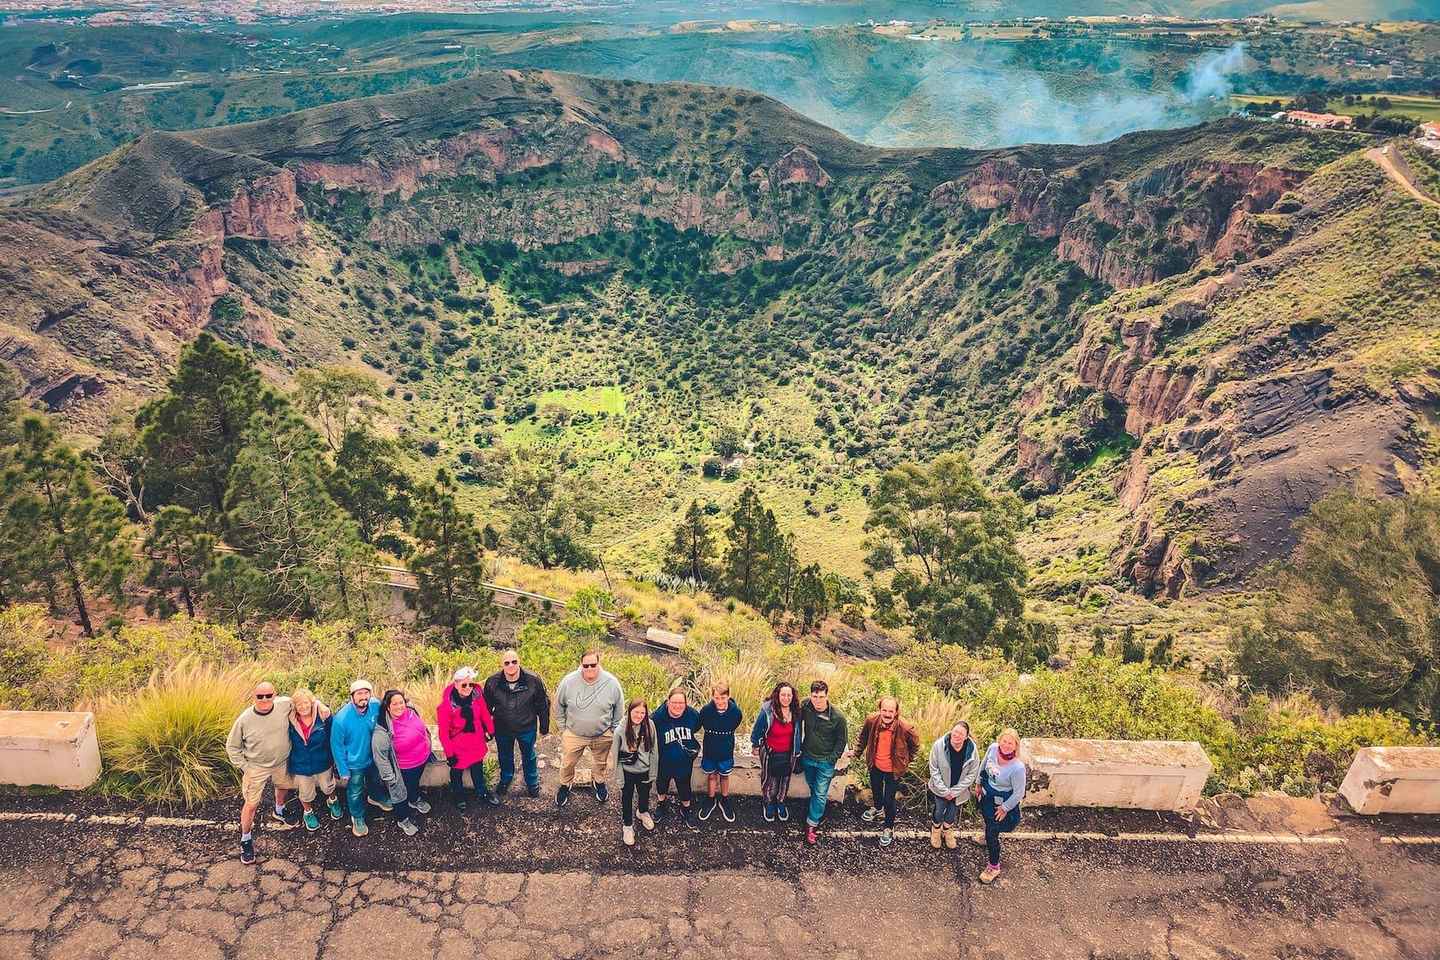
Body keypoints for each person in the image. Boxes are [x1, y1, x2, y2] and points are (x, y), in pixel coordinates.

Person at [225, 681, 300, 864]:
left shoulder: (284, 704)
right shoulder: (245, 719)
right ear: (254, 697)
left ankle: (279, 810)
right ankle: (246, 838)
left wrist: (320, 706)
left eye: (269, 695)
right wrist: (245, 767)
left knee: (283, 786)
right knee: (251, 803)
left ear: (275, 695)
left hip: (281, 761)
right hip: (256, 767)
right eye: (260, 696)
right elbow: (232, 747)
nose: (265, 699)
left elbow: (302, 699)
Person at [555, 650, 625, 808]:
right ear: (581, 665)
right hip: (574, 733)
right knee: (567, 763)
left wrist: (613, 729)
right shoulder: (568, 681)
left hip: (602, 733)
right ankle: (565, 785)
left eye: (593, 665)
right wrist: (562, 728)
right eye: (586, 665)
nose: (589, 668)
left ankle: (599, 782)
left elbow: (619, 707)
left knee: (601, 763)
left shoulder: (611, 683)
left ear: (598, 664)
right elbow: (559, 705)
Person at [483, 648, 550, 798]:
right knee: (505, 756)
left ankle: (532, 782)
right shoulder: (492, 682)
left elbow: (542, 704)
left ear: (519, 662)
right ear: (502, 665)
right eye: (507, 663)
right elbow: (485, 708)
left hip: (527, 727)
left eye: (514, 662)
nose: (511, 665)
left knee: (529, 755)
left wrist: (544, 727)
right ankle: (506, 779)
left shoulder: (533, 680)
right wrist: (486, 729)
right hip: (502, 727)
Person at [854, 695, 920, 846]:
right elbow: (863, 738)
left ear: (896, 712)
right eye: (884, 710)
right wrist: (857, 752)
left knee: (889, 800)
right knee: (876, 790)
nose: (887, 714)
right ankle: (877, 808)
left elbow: (915, 746)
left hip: (893, 770)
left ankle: (888, 827)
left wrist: (905, 761)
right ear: (880, 710)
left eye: (891, 711)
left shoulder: (905, 728)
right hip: (875, 765)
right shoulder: (872, 721)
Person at [332, 678, 390, 837]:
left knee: (375, 780)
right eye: (359, 693)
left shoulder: (375, 706)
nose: (363, 696)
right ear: (352, 696)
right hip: (354, 763)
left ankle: (375, 797)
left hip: (373, 757)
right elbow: (336, 746)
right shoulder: (341, 719)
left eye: (366, 693)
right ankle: (357, 817)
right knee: (355, 791)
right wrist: (343, 770)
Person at [437, 666, 498, 812]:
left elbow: (484, 713)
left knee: (477, 768)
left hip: (476, 740)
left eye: (470, 684)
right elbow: (443, 733)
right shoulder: (445, 706)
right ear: (456, 684)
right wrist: (450, 754)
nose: (468, 688)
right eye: (464, 685)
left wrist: (490, 729)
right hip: (458, 745)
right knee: (457, 771)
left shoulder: (476, 695)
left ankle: (482, 792)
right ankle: (459, 796)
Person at [372, 689, 432, 836]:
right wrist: (390, 778)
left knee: (413, 784)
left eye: (401, 702)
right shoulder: (382, 730)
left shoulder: (411, 711)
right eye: (395, 704)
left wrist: (428, 742)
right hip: (402, 768)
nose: (399, 706)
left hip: (421, 760)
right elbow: (381, 757)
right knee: (399, 793)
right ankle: (403, 818)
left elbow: (422, 727)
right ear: (387, 706)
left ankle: (414, 799)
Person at [797, 679, 848, 846]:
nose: (817, 700)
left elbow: (842, 741)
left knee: (819, 793)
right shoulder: (805, 706)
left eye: (821, 696)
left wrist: (831, 758)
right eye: (814, 696)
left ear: (827, 696)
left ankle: (811, 825)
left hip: (825, 762)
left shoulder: (838, 717)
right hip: (807, 758)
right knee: (814, 787)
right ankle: (817, 809)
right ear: (810, 695)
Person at [286, 687, 341, 832]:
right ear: (295, 707)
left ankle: (333, 801)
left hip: (322, 760)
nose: (303, 707)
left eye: (306, 703)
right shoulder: (290, 719)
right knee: (305, 791)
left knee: (327, 786)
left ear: (312, 703)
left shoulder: (323, 716)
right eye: (299, 704)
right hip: (300, 763)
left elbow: (333, 736)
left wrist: (335, 759)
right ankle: (308, 813)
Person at [976, 728, 1026, 884]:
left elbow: (1019, 793)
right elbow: (983, 765)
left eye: (1010, 743)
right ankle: (987, 836)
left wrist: (1005, 808)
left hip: (1003, 802)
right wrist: (978, 782)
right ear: (999, 740)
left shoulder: (1017, 768)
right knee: (987, 819)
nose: (1006, 745)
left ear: (1015, 746)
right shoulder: (992, 749)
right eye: (1004, 741)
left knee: (993, 832)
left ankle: (994, 866)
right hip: (988, 795)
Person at [609, 698, 659, 846]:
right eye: (636, 712)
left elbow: (654, 750)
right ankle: (628, 825)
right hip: (628, 771)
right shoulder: (620, 730)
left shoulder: (650, 725)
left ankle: (642, 812)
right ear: (629, 711)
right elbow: (615, 756)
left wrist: (653, 772)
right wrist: (619, 777)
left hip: (644, 770)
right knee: (627, 798)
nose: (639, 715)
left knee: (644, 794)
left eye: (642, 713)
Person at [651, 688, 701, 828]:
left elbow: (696, 726)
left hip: (684, 760)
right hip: (663, 760)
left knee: (684, 785)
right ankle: (661, 804)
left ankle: (686, 808)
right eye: (674, 702)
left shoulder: (692, 715)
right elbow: (648, 732)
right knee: (661, 783)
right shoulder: (658, 717)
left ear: (686, 703)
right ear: (668, 702)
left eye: (681, 703)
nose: (677, 706)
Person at [750, 681, 799, 823]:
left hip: (789, 753)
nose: (786, 698)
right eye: (783, 695)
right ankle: (768, 802)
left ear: (792, 696)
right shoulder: (768, 710)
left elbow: (798, 732)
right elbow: (757, 729)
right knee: (769, 779)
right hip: (770, 752)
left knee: (785, 779)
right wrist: (755, 745)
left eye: (789, 695)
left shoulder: (795, 711)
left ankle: (781, 801)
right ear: (777, 696)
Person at [927, 720, 979, 850]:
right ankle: (936, 830)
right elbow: (934, 768)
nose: (957, 735)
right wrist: (944, 791)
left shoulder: (972, 751)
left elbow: (972, 774)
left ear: (966, 736)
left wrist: (954, 792)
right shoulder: (939, 745)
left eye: (961, 733)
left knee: (952, 813)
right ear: (951, 731)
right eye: (955, 732)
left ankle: (947, 830)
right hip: (940, 788)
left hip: (959, 790)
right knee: (939, 811)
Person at [696, 682, 743, 822]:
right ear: (712, 697)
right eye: (717, 698)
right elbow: (699, 724)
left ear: (728, 696)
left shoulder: (736, 713)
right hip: (710, 751)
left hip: (726, 752)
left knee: (724, 776)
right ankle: (710, 799)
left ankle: (724, 799)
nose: (720, 701)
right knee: (711, 776)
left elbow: (735, 724)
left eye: (723, 698)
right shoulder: (705, 711)